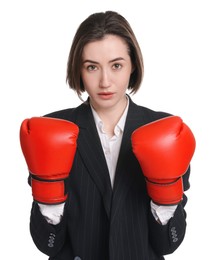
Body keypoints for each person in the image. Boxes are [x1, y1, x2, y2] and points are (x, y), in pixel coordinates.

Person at [20, 11, 196, 260]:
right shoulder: (51, 129)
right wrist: (49, 200)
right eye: (92, 67)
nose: (105, 81)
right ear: (79, 70)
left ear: (132, 64)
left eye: (116, 65)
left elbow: (168, 244)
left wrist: (164, 202)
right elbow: (48, 245)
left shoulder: (165, 129)